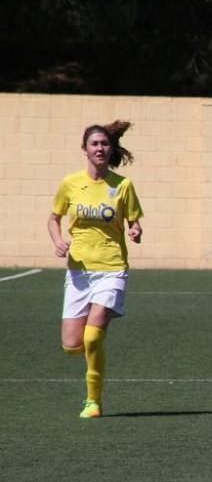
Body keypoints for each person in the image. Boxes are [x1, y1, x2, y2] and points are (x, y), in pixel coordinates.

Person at [48, 121, 144, 419]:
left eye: (104, 144)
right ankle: (93, 343)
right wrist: (58, 240)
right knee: (71, 344)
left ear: (111, 148)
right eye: (95, 144)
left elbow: (134, 221)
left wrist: (135, 230)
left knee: (91, 338)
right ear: (85, 149)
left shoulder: (122, 185)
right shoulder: (70, 184)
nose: (100, 148)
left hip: (112, 269)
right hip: (78, 272)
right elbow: (54, 218)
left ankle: (93, 401)